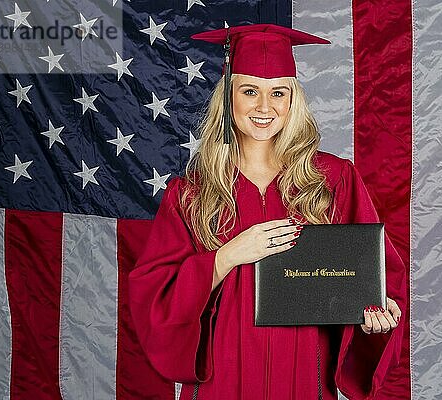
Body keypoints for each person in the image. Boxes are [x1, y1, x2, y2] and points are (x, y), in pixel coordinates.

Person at [128, 24, 407, 400]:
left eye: (278, 92)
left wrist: (376, 318)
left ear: (293, 101)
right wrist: (226, 257)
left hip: (305, 379)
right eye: (249, 91)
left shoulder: (331, 180)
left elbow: (377, 275)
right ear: (228, 98)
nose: (264, 107)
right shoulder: (193, 192)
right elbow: (154, 298)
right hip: (221, 384)